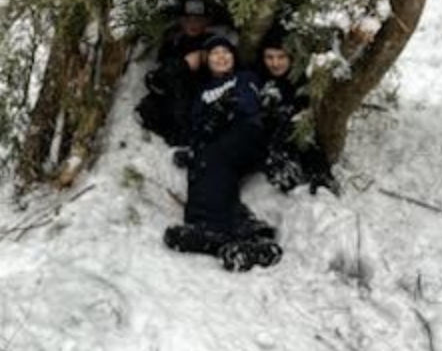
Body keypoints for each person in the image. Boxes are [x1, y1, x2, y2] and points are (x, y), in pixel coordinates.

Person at [164, 35, 282, 272]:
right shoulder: (202, 92)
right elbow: (197, 127)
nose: (221, 56)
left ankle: (215, 228)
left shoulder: (245, 77)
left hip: (249, 135)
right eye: (215, 53)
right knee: (204, 163)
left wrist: (229, 108)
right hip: (220, 145)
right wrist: (206, 128)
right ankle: (234, 233)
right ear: (207, 60)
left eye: (226, 52)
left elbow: (251, 105)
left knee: (213, 156)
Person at [258, 26, 337, 195]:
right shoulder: (260, 79)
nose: (275, 63)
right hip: (267, 146)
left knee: (302, 134)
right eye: (269, 57)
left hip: (297, 138)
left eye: (281, 57)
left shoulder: (302, 81)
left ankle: (321, 181)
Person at [135, 35, 206, 146]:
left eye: (199, 19)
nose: (193, 22)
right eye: (188, 18)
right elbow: (155, 82)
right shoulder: (172, 45)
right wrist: (183, 64)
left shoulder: (211, 47)